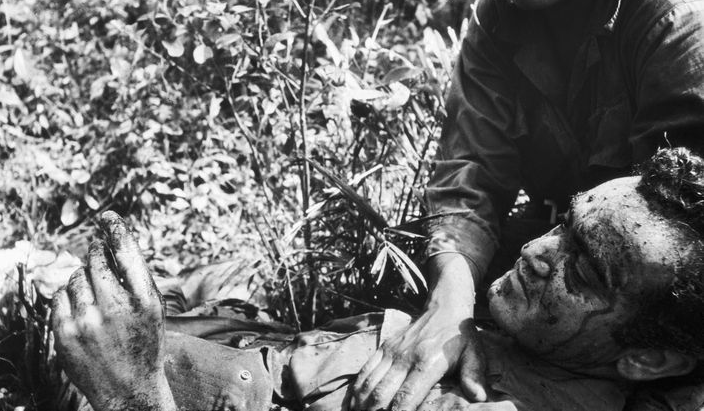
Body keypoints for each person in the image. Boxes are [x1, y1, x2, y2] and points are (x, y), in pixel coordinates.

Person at [53, 148, 704, 411]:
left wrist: (127, 392)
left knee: (50, 311)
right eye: (563, 221)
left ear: (649, 356)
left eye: (583, 269)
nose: (537, 248)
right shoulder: (602, 364)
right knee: (207, 284)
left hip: (154, 379)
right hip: (269, 339)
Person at [352, 0, 704, 407]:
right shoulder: (497, 16)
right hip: (569, 245)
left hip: (651, 291)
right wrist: (449, 311)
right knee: (416, 271)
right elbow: (469, 172)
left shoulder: (683, 14)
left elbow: (683, 253)